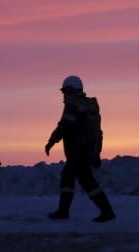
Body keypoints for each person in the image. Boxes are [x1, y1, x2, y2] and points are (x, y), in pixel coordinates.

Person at [45, 75, 115, 222]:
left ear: (72, 89)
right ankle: (105, 211)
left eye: (65, 90)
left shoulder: (73, 104)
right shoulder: (91, 106)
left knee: (73, 178)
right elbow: (98, 133)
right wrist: (96, 154)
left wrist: (51, 141)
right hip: (88, 151)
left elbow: (65, 125)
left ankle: (66, 212)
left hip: (77, 150)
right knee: (80, 179)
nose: (64, 94)